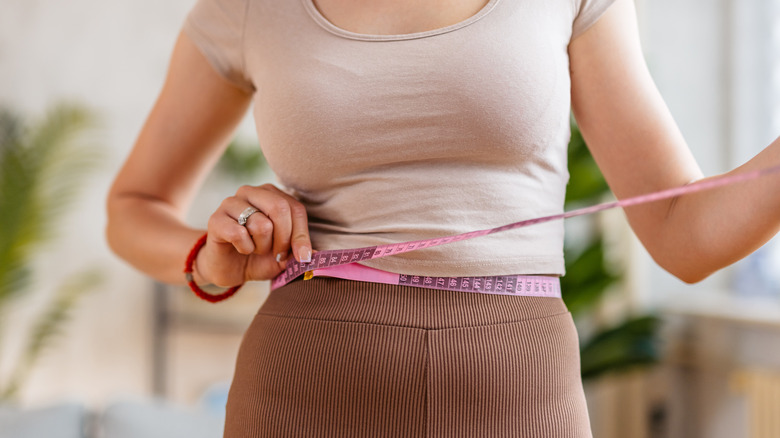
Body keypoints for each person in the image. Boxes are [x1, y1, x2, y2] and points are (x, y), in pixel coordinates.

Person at [106, 0, 780, 436]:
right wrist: (209, 253)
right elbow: (132, 207)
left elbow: (682, 232)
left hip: (518, 388)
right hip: (303, 389)